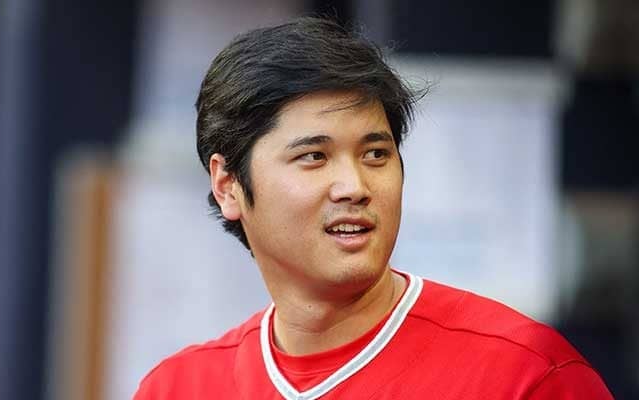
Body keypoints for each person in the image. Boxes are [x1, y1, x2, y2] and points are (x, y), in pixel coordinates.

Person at [134, 17, 613, 399]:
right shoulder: (178, 388)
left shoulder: (525, 374)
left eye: (376, 154)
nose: (354, 187)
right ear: (228, 185)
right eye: (314, 156)